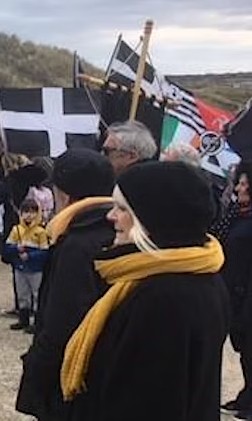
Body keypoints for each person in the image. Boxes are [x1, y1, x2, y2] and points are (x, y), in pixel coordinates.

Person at [61, 161, 228, 420]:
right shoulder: (195, 273)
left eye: (122, 208)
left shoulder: (163, 296)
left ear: (153, 216)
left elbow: (149, 401)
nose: (110, 216)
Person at [16, 149, 116, 420]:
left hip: (73, 374)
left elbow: (63, 319)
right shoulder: (117, 230)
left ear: (65, 196)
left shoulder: (76, 242)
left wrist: (37, 368)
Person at [220, 161, 252, 418]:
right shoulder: (237, 213)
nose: (239, 189)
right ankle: (246, 394)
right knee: (242, 348)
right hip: (233, 289)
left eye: (244, 185)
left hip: (247, 292)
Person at [2, 199, 49, 333]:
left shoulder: (41, 232)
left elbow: (45, 251)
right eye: (26, 212)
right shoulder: (16, 230)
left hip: (35, 269)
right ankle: (23, 319)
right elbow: (7, 247)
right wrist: (17, 248)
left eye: (32, 212)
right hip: (20, 267)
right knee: (22, 293)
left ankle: (37, 322)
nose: (29, 215)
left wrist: (31, 256)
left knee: (36, 294)